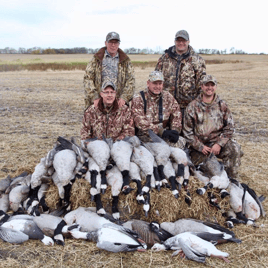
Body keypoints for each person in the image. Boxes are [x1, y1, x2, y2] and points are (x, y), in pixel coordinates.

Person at [183, 74, 243, 178]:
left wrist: (219, 144)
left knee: (235, 149)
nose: (209, 88)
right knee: (212, 170)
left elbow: (229, 127)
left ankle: (232, 179)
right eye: (207, 85)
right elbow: (187, 132)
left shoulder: (222, 105)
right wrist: (199, 146)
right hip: (200, 148)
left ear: (215, 87)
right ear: (202, 87)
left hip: (217, 145)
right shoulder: (192, 106)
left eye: (212, 85)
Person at [155, 30, 206, 116]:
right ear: (175, 41)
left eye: (184, 40)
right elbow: (155, 80)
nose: (181, 43)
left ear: (188, 41)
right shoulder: (164, 58)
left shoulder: (197, 60)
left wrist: (198, 105)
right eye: (178, 40)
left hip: (188, 107)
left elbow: (201, 84)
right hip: (166, 106)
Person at [131, 70, 185, 148]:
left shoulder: (168, 97)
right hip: (145, 139)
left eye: (160, 84)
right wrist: (160, 131)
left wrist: (175, 131)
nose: (158, 86)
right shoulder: (139, 98)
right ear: (148, 83)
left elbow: (177, 114)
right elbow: (139, 120)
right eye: (155, 83)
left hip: (164, 137)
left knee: (181, 143)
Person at [83, 31, 135, 108]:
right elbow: (88, 79)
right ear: (106, 43)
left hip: (118, 103)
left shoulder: (125, 61)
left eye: (116, 42)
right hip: (99, 102)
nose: (113, 45)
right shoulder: (96, 59)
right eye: (111, 42)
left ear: (119, 44)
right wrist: (95, 97)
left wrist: (124, 98)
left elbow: (131, 80)